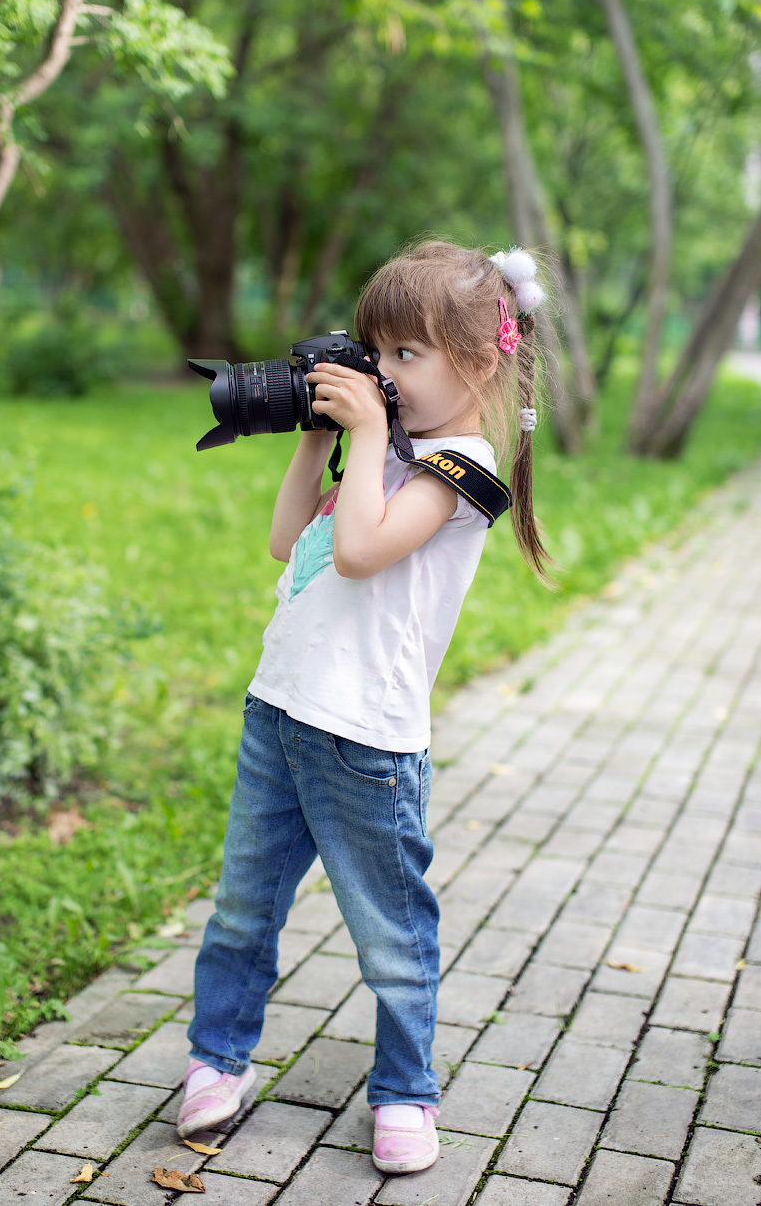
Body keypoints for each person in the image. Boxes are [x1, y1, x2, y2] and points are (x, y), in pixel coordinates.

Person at [177, 240, 553, 1175]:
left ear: (478, 361)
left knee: (391, 933)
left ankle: (406, 1092)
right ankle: (216, 1059)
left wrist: (373, 436)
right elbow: (285, 543)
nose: (379, 376)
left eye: (402, 358)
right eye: (372, 353)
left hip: (367, 746)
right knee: (240, 913)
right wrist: (316, 432)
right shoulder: (391, 446)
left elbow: (360, 552)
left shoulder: (462, 470)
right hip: (280, 716)